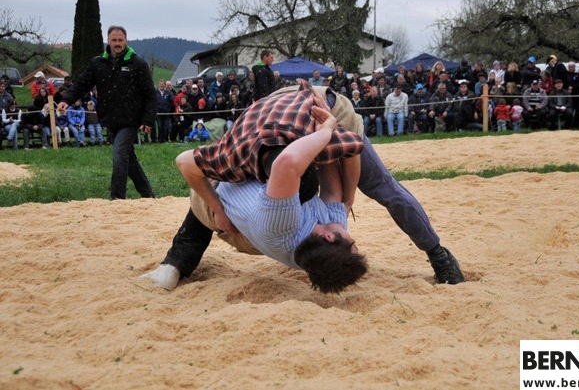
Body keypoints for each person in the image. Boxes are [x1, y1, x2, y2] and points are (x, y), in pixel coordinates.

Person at [142, 82, 464, 291]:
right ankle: (175, 261)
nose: (353, 239)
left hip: (320, 111)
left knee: (380, 186)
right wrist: (344, 192)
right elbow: (324, 165)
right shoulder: (237, 156)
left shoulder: (241, 163)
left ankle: (438, 254)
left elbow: (342, 151)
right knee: (212, 198)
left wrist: (348, 188)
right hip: (288, 114)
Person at [58, 25, 157, 200]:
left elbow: (150, 94)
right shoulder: (97, 63)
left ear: (126, 41)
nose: (117, 43)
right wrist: (67, 99)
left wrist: (147, 120)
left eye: (120, 40)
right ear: (108, 41)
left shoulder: (138, 64)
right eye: (114, 40)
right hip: (109, 118)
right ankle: (148, 195)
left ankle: (117, 198)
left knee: (119, 155)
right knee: (128, 159)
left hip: (130, 119)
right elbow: (82, 83)